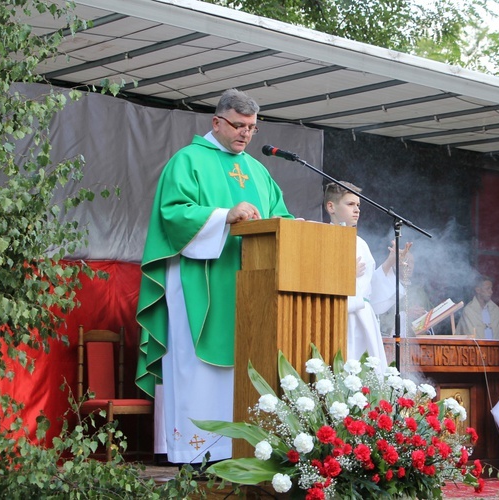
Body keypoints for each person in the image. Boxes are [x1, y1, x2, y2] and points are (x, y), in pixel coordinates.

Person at [135, 89, 294, 465]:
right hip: (199, 281)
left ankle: (239, 451)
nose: (245, 135)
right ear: (217, 122)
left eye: (252, 128)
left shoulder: (259, 170)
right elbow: (174, 215)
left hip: (249, 287)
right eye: (238, 126)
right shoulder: (187, 161)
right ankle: (196, 454)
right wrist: (224, 215)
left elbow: (281, 218)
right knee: (198, 369)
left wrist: (295, 228)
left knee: (246, 364)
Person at [323, 182, 407, 370]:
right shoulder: (321, 238)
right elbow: (317, 285)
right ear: (331, 207)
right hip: (343, 320)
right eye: (350, 204)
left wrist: (389, 262)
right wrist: (344, 276)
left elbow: (369, 293)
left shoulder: (361, 243)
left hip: (365, 319)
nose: (357, 210)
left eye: (358, 205)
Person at [455, 275, 499, 339]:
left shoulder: (496, 310)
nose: (491, 292)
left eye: (491, 288)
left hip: (494, 348)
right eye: (487, 288)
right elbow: (468, 337)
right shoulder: (469, 310)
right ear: (478, 290)